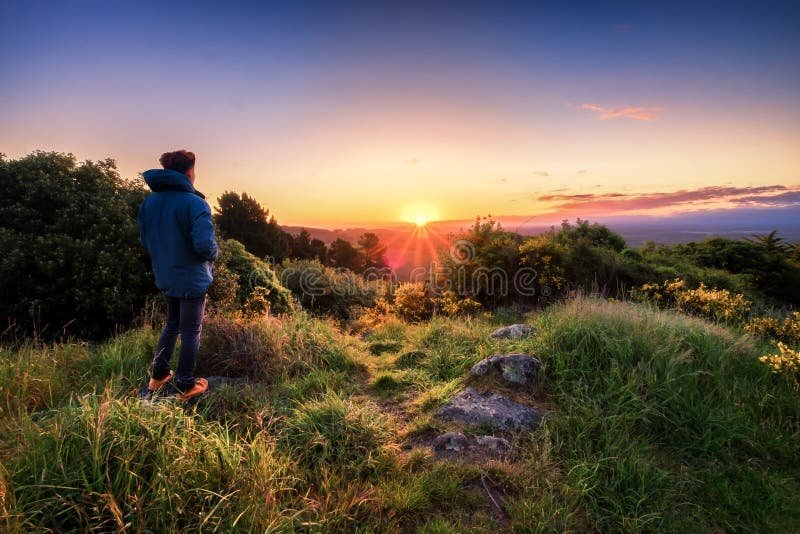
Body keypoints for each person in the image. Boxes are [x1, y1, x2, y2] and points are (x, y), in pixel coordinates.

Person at [137, 150, 218, 400]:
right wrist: (215, 252)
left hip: (166, 275)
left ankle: (158, 375)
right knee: (191, 330)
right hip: (192, 279)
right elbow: (205, 246)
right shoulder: (195, 203)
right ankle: (185, 384)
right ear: (188, 172)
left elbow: (146, 241)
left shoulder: (149, 203)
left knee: (172, 324)